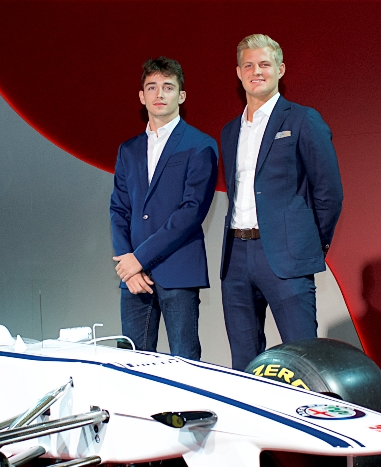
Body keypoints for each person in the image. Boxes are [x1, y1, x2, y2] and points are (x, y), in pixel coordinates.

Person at [219, 34, 343, 370]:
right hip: (236, 258)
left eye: (264, 64)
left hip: (287, 257)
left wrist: (311, 245)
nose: (256, 71)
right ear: (239, 72)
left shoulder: (303, 119)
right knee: (244, 363)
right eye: (248, 65)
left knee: (304, 358)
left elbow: (328, 191)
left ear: (280, 69)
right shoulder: (230, 132)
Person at [110, 57, 218, 360]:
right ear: (142, 96)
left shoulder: (200, 145)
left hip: (178, 270)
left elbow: (191, 212)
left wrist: (138, 259)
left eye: (168, 87)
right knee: (132, 361)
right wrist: (127, 266)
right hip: (133, 277)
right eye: (152, 87)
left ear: (181, 96)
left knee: (183, 361)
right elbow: (119, 208)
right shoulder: (128, 149)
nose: (160, 94)